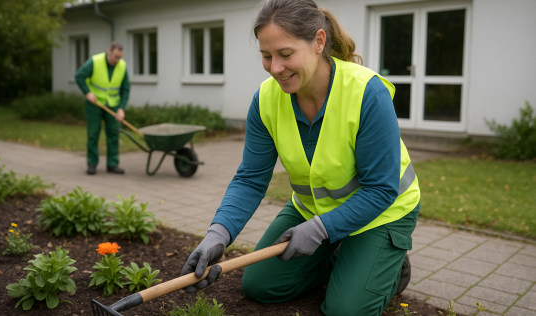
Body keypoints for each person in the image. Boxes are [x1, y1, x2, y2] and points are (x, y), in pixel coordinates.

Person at [180, 0, 421, 314]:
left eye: (285, 54)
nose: (275, 68)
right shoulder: (266, 99)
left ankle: (390, 264)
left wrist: (321, 229)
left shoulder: (366, 93)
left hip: (383, 213)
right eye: (266, 56)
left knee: (344, 311)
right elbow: (251, 179)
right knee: (260, 285)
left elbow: (381, 189)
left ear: (319, 42)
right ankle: (339, 254)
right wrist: (218, 233)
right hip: (313, 212)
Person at [75, 41, 130, 175]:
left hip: (113, 104)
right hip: (95, 104)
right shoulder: (95, 61)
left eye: (120, 57)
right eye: (115, 57)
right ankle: (92, 164)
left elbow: (125, 88)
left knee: (113, 134)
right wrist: (87, 92)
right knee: (93, 134)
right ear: (109, 51)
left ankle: (112, 164)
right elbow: (79, 76)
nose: (117, 60)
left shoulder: (122, 66)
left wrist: (121, 108)